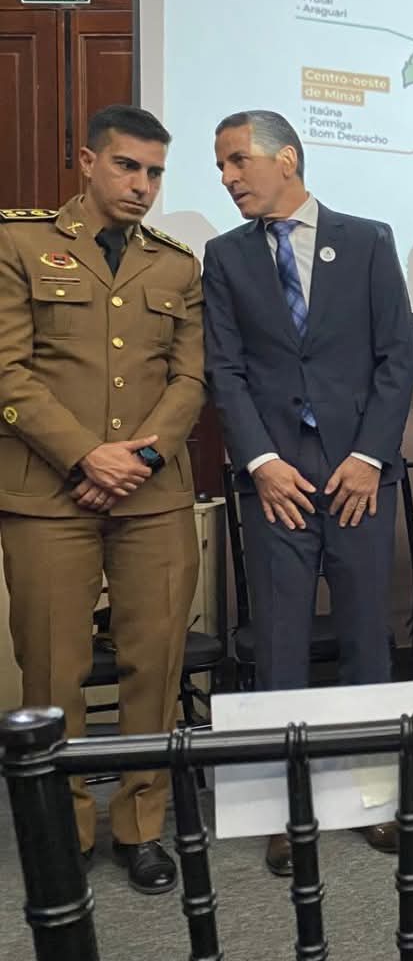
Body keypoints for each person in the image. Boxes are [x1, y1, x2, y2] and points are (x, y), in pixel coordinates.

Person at [202, 110, 413, 872]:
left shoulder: (368, 240)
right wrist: (261, 461)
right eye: (220, 166)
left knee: (365, 638)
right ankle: (285, 810)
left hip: (359, 476)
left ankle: (372, 796)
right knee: (280, 646)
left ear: (286, 158)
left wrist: (368, 456)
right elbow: (224, 369)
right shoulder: (225, 255)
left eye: (237, 161)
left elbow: (397, 358)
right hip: (277, 482)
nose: (227, 178)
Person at [0, 104, 204, 893]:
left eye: (155, 172)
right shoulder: (19, 243)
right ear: (87, 162)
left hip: (153, 496)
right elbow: (9, 370)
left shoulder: (176, 266)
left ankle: (141, 826)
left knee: (155, 665)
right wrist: (88, 455)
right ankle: (66, 828)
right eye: (127, 166)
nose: (142, 185)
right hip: (49, 495)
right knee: (54, 669)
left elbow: (189, 380)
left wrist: (141, 457)